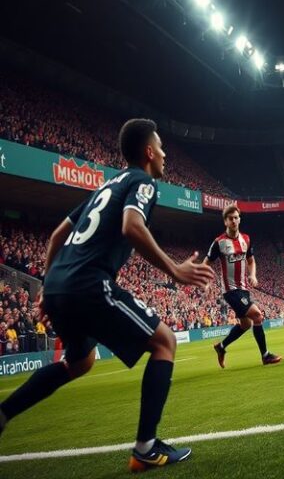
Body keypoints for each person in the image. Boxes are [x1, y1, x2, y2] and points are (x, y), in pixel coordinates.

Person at [0, 119, 215, 472]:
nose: (164, 154)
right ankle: (145, 447)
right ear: (148, 152)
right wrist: (175, 270)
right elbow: (131, 227)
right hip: (87, 283)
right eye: (160, 147)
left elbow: (56, 236)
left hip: (58, 283)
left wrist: (47, 288)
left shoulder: (105, 187)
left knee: (79, 362)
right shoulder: (142, 182)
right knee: (164, 342)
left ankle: (4, 413)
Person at [204, 205, 282, 368]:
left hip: (243, 289)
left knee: (246, 324)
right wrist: (206, 281)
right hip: (230, 290)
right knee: (257, 315)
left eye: (236, 217)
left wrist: (252, 275)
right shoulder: (219, 243)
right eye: (230, 218)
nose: (234, 220)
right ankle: (266, 356)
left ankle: (221, 346)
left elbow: (251, 260)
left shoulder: (246, 239)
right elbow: (206, 263)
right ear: (225, 221)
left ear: (240, 219)